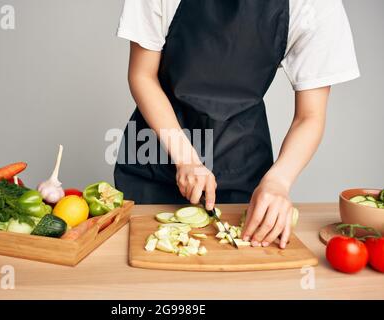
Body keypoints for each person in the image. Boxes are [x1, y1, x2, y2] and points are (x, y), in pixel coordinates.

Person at [114, 0, 359, 248]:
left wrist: (278, 181)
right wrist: (185, 158)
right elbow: (142, 75)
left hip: (242, 163)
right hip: (154, 159)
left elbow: (310, 116)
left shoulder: (315, 4)